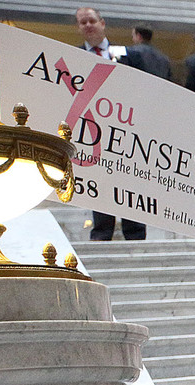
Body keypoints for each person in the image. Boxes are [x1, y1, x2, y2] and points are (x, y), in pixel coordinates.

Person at [77, 9, 143, 241]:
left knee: (132, 178)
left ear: (102, 23)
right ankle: (102, 233)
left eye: (92, 21)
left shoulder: (128, 55)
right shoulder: (74, 57)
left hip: (128, 128)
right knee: (100, 179)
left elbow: (144, 87)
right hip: (94, 130)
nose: (88, 25)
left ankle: (135, 233)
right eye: (83, 22)